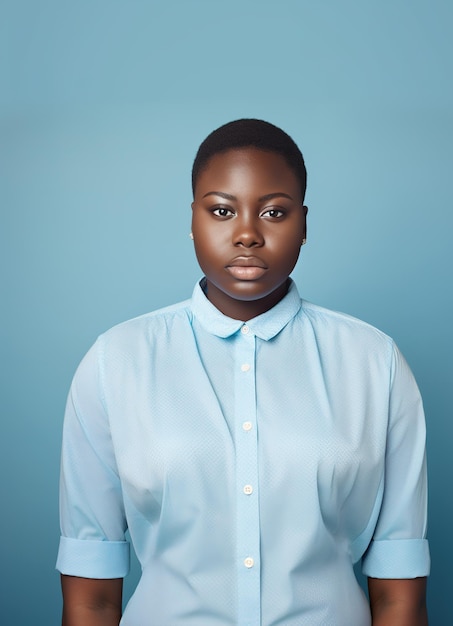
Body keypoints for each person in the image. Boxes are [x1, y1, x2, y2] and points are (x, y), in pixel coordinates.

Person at [57, 119, 430, 625]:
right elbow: (91, 593)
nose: (248, 234)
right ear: (193, 219)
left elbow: (398, 589)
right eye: (222, 210)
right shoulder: (114, 362)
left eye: (274, 211)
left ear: (303, 222)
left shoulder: (375, 363)